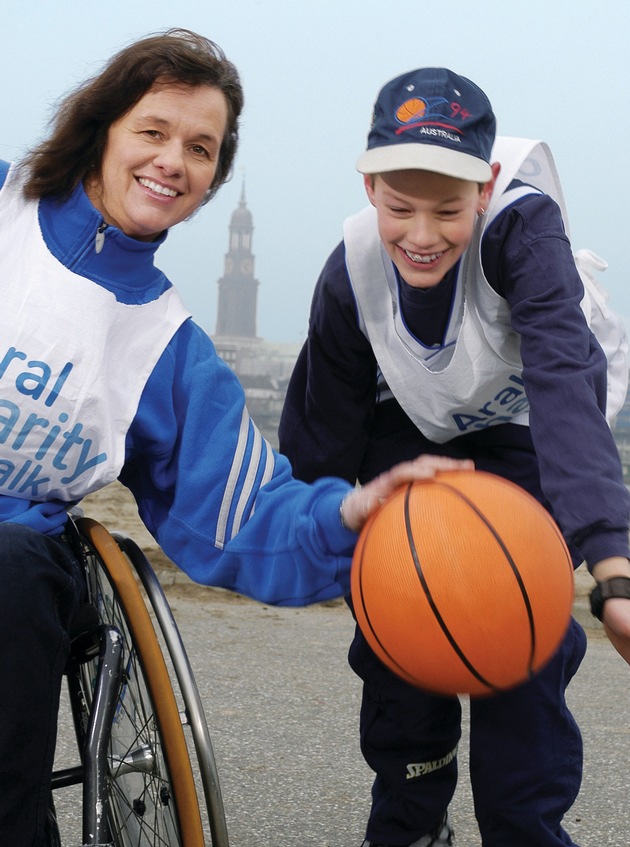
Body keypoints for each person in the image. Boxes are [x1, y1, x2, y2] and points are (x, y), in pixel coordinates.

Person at [0, 36, 475, 847]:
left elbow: (246, 510)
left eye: (200, 148)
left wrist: (351, 511)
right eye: (152, 131)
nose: (172, 160)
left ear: (213, 180)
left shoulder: (168, 350)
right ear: (103, 128)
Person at [279, 67, 630, 847]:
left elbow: (565, 388)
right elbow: (320, 444)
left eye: (449, 207)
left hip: (526, 425)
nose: (423, 233)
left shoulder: (524, 233)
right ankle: (409, 820)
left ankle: (524, 827)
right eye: (400, 207)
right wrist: (321, 541)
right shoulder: (351, 272)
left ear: (488, 184)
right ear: (368, 186)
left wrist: (612, 565)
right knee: (400, 618)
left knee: (519, 632)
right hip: (408, 429)